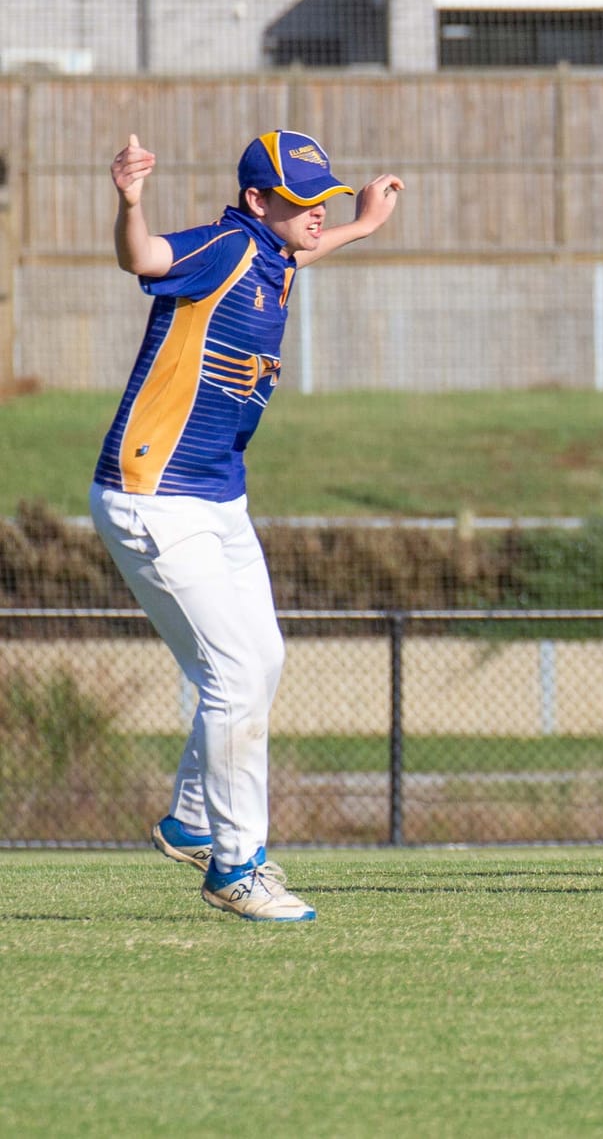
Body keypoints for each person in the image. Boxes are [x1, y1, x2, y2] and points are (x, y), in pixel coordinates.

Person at [93, 131, 402, 920]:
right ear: (258, 202)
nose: (315, 215)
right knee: (232, 677)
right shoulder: (231, 244)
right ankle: (237, 866)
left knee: (259, 661)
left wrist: (361, 226)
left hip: (218, 499)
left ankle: (191, 819)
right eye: (302, 203)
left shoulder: (276, 252)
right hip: (155, 492)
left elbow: (300, 254)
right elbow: (146, 259)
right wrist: (130, 204)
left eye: (322, 201)